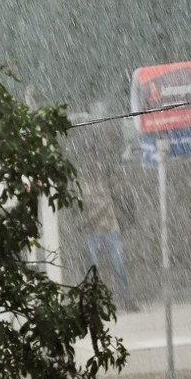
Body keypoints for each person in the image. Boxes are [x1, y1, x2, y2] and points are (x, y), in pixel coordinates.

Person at [70, 129, 137, 311]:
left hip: (108, 228)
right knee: (92, 270)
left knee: (119, 267)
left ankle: (126, 299)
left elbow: (121, 193)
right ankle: (94, 302)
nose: (93, 163)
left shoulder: (106, 174)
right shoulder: (79, 179)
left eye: (95, 158)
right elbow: (76, 204)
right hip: (91, 230)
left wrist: (127, 215)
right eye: (89, 158)